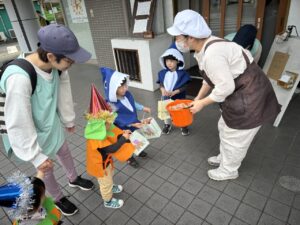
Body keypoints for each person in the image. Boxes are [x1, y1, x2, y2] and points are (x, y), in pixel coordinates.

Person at [167, 10, 280, 181]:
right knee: (224, 126)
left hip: (250, 97)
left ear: (190, 37)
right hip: (239, 93)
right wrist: (197, 98)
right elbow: (210, 78)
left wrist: (202, 104)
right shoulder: (204, 48)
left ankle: (229, 170)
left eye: (178, 37)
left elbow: (225, 86)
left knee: (235, 136)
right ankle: (225, 157)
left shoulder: (212, 53)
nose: (177, 41)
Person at [0, 24, 94, 216]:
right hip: (33, 132)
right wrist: (35, 155)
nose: (72, 63)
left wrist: (68, 119)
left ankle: (73, 178)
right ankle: (58, 198)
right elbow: (18, 121)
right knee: (47, 167)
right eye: (70, 60)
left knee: (64, 151)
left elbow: (64, 91)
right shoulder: (19, 78)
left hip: (51, 123)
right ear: (51, 56)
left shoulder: (58, 67)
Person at [85, 84, 135, 209]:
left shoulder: (101, 130)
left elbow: (115, 131)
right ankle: (107, 200)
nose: (111, 124)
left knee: (110, 174)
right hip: (100, 166)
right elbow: (112, 148)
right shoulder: (96, 138)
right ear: (100, 124)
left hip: (106, 162)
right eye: (109, 122)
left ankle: (110, 185)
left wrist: (123, 133)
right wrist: (124, 138)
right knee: (105, 182)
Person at [100, 67, 151, 168]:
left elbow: (133, 103)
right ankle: (129, 157)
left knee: (136, 137)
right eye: (122, 87)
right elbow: (114, 119)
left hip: (133, 122)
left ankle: (138, 150)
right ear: (114, 88)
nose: (125, 88)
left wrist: (142, 107)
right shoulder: (110, 104)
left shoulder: (126, 95)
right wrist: (130, 124)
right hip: (123, 128)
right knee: (127, 142)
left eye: (126, 85)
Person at [157, 43, 191, 135]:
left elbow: (185, 86)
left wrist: (175, 91)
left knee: (180, 111)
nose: (169, 63)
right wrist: (162, 90)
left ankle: (183, 125)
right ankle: (167, 125)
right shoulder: (162, 73)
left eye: (172, 61)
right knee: (165, 111)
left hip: (179, 97)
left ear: (178, 61)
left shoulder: (183, 74)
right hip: (165, 97)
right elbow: (161, 83)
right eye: (167, 61)